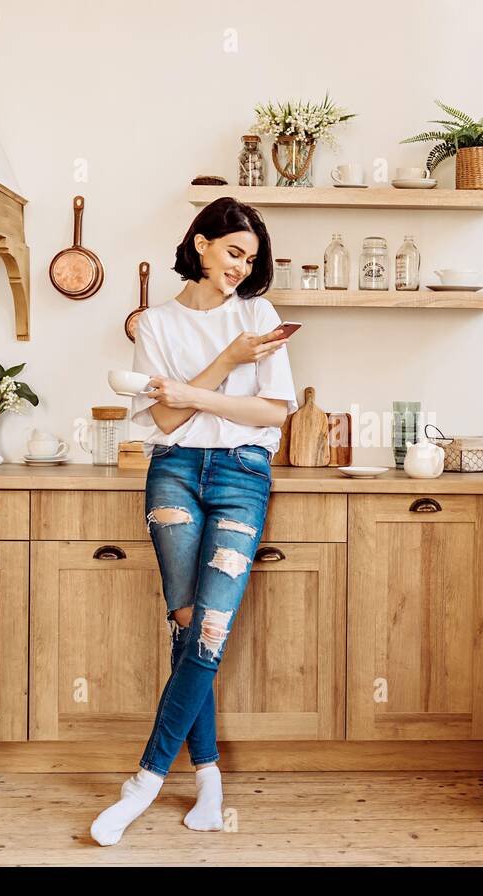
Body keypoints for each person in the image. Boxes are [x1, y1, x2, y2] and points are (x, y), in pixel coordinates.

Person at [91, 197, 297, 845]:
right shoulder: (154, 323)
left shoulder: (258, 314)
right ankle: (208, 777)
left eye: (251, 259)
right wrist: (228, 364)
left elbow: (273, 416)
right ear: (202, 244)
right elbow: (165, 422)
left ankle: (143, 782)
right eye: (234, 252)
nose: (242, 267)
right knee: (186, 627)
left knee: (210, 628)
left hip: (241, 475)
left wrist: (193, 392)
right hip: (175, 472)